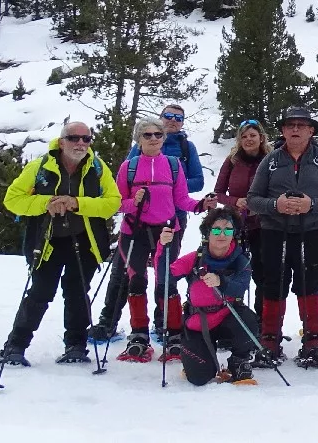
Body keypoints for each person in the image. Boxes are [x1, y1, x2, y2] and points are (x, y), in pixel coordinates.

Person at [0, 123, 122, 366]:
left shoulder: (97, 167)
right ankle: (15, 346)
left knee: (77, 294)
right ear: (61, 141)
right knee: (40, 293)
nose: (81, 143)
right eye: (74, 138)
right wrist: (47, 203)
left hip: (85, 241)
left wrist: (77, 203)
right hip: (47, 242)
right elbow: (13, 200)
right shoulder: (40, 166)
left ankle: (76, 346)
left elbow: (112, 202)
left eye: (86, 139)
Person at [100, 118, 207, 362]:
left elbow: (181, 200)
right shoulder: (129, 166)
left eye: (158, 134)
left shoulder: (173, 165)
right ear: (138, 139)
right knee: (136, 281)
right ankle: (139, 335)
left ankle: (173, 335)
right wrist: (132, 202)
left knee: (166, 282)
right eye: (147, 135)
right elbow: (117, 203)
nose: (154, 139)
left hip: (167, 231)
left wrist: (200, 205)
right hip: (134, 232)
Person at [246, 106, 318, 369]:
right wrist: (275, 205)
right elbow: (253, 199)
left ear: (311, 130)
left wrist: (311, 205)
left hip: (311, 231)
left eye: (302, 125)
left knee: (309, 284)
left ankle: (313, 342)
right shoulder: (271, 161)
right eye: (291, 125)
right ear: (282, 130)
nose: (296, 129)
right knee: (273, 284)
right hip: (274, 231)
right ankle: (269, 340)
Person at [129, 104, 205, 333]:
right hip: (139, 221)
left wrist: (169, 187)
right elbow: (127, 179)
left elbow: (197, 182)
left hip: (173, 219)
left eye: (178, 118)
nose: (173, 121)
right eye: (169, 116)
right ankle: (113, 323)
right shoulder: (139, 146)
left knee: (165, 271)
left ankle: (164, 322)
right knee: (132, 274)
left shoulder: (185, 147)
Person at [163, 207, 260, 386]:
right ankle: (199, 360)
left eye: (227, 229)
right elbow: (165, 276)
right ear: (208, 232)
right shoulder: (194, 258)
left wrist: (220, 281)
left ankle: (239, 361)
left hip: (227, 317)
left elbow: (240, 288)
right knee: (199, 378)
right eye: (216, 229)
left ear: (234, 233)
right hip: (197, 322)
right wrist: (164, 248)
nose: (222, 234)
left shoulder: (241, 260)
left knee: (249, 321)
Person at [214, 119, 270, 310]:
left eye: (252, 135)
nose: (248, 140)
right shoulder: (232, 161)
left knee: (263, 272)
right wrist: (235, 201)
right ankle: (229, 314)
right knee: (230, 269)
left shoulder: (271, 159)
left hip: (264, 224)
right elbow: (218, 193)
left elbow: (278, 190)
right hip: (236, 223)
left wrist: (260, 205)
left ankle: (262, 319)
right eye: (244, 136)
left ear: (261, 138)